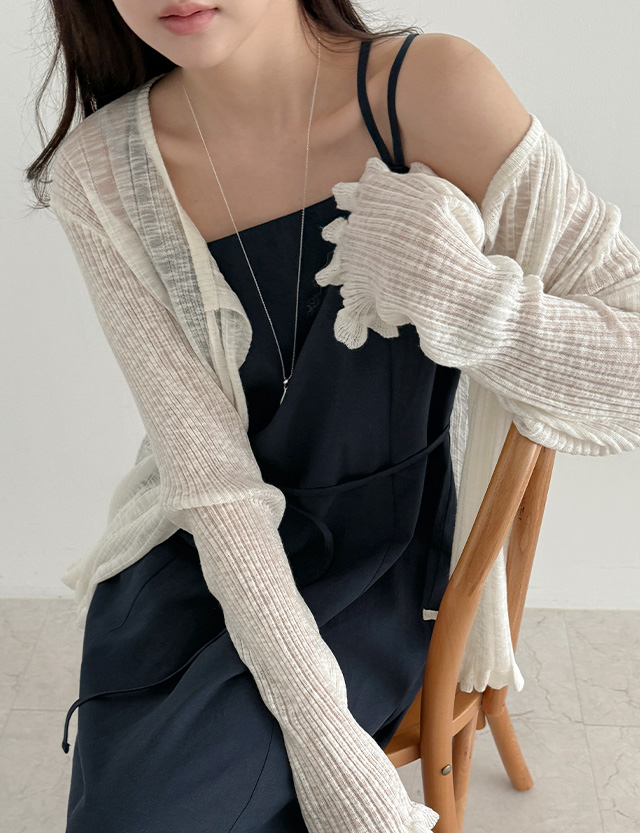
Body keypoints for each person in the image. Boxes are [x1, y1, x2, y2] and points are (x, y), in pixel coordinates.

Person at [27, 1, 640, 831]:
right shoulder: (102, 171)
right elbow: (211, 485)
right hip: (205, 553)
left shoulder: (430, 92)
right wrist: (332, 754)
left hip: (385, 557)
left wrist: (465, 298)